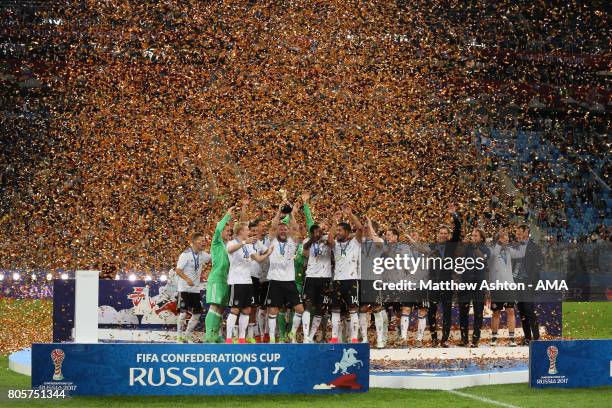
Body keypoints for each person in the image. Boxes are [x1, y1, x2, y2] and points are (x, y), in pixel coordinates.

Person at [252, 201, 305, 343]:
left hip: (289, 281)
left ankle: (292, 333)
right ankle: (273, 338)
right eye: (280, 229)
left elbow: (295, 227)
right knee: (273, 310)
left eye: (284, 229)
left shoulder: (292, 242)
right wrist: (279, 212)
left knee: (300, 309)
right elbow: (273, 226)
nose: (282, 230)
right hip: (275, 281)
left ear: (288, 231)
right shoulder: (272, 241)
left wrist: (290, 214)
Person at [225, 222, 266, 343]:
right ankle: (228, 338)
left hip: (248, 281)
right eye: (247, 230)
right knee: (235, 309)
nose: (249, 232)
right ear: (240, 232)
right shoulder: (232, 242)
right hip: (236, 281)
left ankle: (242, 338)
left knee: (247, 309)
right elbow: (229, 250)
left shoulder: (248, 246)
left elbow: (257, 258)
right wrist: (244, 242)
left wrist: (268, 253)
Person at [428, 203, 461, 347]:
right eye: (440, 233)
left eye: (445, 233)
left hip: (447, 282)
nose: (442, 235)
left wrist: (454, 215)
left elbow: (458, 230)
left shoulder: (451, 245)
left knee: (447, 311)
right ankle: (434, 338)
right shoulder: (431, 246)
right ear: (437, 235)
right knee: (432, 311)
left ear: (448, 235)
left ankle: (445, 339)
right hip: (433, 282)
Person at [330, 206, 364, 344]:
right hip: (337, 280)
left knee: (353, 309)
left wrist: (350, 215)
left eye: (340, 230)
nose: (337, 232)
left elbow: (360, 229)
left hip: (351, 280)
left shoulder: (355, 243)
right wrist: (334, 222)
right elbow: (330, 239)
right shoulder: (335, 245)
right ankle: (334, 337)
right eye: (337, 230)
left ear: (347, 232)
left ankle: (354, 338)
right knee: (335, 310)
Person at [489, 227, 525, 346]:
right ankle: (494, 337)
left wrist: (523, 239)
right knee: (496, 312)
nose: (506, 240)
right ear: (499, 239)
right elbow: (494, 255)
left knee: (510, 311)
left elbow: (521, 253)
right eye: (504, 238)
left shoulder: (509, 250)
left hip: (509, 285)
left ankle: (511, 338)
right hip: (497, 286)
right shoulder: (492, 249)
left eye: (507, 238)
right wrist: (500, 242)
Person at [203, 207, 234, 343]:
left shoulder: (229, 247)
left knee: (221, 308)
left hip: (225, 280)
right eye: (227, 231)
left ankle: (216, 334)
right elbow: (217, 229)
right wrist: (227, 215)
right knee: (214, 306)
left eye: (230, 232)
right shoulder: (216, 243)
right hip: (216, 279)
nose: (229, 233)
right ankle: (209, 335)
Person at [302, 220, 335, 343]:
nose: (317, 232)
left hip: (325, 278)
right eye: (314, 231)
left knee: (321, 308)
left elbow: (332, 243)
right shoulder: (307, 241)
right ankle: (306, 336)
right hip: (311, 277)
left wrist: (324, 238)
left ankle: (311, 336)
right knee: (307, 306)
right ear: (311, 233)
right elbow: (305, 249)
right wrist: (313, 239)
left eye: (319, 230)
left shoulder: (327, 240)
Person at [175, 232, 211, 342]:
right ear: (194, 242)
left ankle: (187, 335)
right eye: (202, 240)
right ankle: (179, 337)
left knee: (197, 313)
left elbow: (213, 258)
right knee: (183, 313)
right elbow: (178, 270)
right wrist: (187, 279)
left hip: (195, 289)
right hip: (184, 288)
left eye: (205, 240)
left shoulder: (203, 255)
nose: (204, 242)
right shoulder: (185, 255)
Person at [458, 228, 489, 347]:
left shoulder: (485, 249)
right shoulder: (467, 247)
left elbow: (482, 258)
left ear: (481, 238)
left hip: (479, 284)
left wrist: (475, 247)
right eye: (472, 235)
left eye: (476, 236)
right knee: (463, 312)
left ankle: (475, 340)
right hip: (465, 283)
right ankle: (464, 339)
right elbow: (458, 257)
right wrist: (463, 246)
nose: (473, 237)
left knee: (478, 313)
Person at [514, 224, 543, 345]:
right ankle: (527, 338)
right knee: (522, 311)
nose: (518, 234)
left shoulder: (534, 247)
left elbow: (538, 265)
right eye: (517, 232)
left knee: (529, 310)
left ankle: (536, 337)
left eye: (520, 232)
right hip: (516, 282)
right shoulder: (514, 246)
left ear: (526, 232)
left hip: (527, 282)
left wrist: (531, 282)